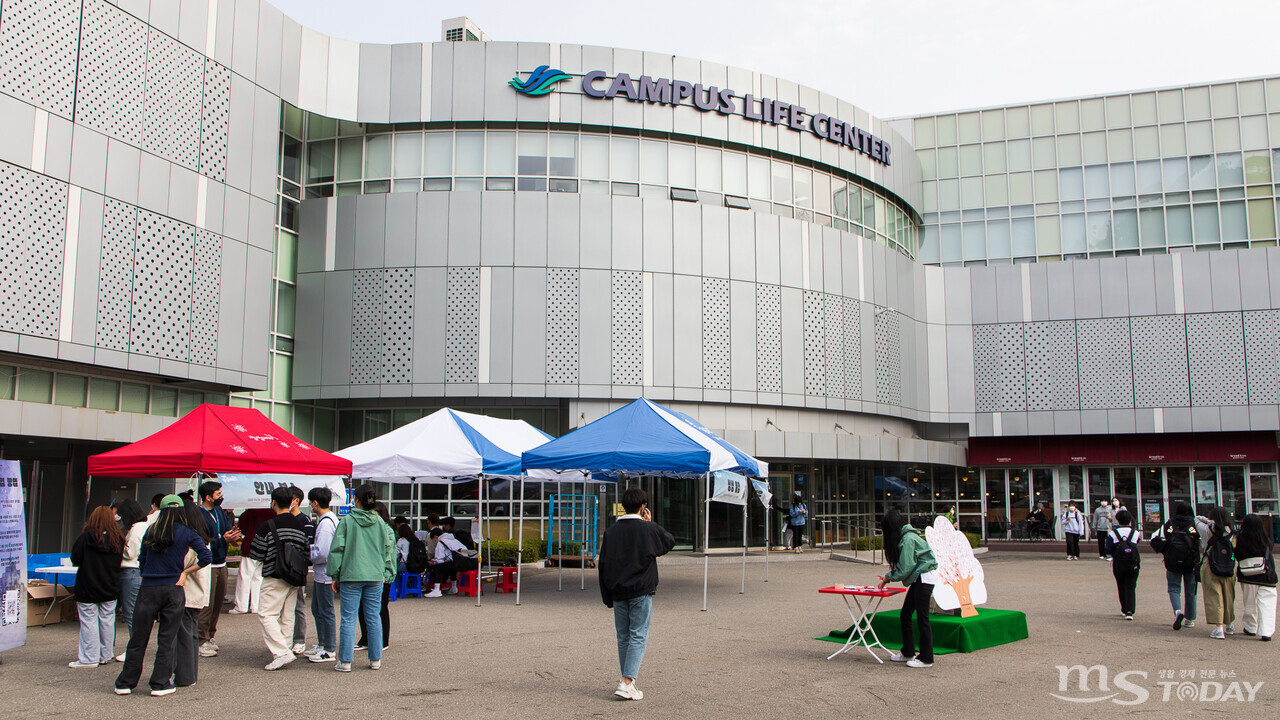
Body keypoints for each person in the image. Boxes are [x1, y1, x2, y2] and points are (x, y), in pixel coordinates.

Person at [114, 495, 211, 697]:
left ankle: (125, 683)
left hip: (148, 588)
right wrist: (184, 573)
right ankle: (159, 683)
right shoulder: (187, 532)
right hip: (173, 588)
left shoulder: (151, 530)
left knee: (138, 638)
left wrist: (149, 574)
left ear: (161, 510)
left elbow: (142, 559)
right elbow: (206, 557)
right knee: (167, 639)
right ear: (181, 511)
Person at [597, 487, 675, 701]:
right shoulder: (648, 530)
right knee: (638, 634)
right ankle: (626, 681)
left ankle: (627, 681)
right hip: (641, 589)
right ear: (643, 507)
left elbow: (602, 564)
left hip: (618, 591)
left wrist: (607, 596)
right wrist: (650, 524)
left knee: (623, 637)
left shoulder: (611, 532)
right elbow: (668, 542)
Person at [327, 484, 396, 672]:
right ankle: (375, 659)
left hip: (351, 575)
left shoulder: (347, 521)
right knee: (373, 616)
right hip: (375, 575)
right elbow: (388, 549)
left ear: (356, 500)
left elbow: (337, 550)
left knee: (348, 618)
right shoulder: (381, 523)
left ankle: (346, 661)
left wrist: (335, 574)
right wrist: (387, 572)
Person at [247, 487, 311, 670]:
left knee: (267, 614)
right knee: (287, 615)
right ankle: (285, 648)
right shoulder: (299, 525)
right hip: (295, 576)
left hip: (275, 574)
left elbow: (256, 552)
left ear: (273, 502)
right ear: (292, 502)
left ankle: (281, 652)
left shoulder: (269, 525)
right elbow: (307, 552)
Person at [876, 507, 938, 669]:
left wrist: (888, 577)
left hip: (924, 577)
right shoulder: (908, 536)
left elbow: (905, 568)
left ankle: (926, 657)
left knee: (922, 618)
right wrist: (888, 578)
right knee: (906, 614)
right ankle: (908, 651)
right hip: (920, 577)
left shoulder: (908, 539)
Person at [68, 506, 124, 668]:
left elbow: (76, 559)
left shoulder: (85, 538)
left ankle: (88, 658)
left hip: (88, 585)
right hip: (110, 586)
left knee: (89, 621)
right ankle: (105, 654)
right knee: (107, 620)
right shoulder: (118, 539)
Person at [196, 481, 240, 657]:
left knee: (218, 602)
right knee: (207, 602)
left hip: (222, 562)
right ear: (208, 497)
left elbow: (227, 531)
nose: (220, 497)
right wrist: (222, 539)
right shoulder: (199, 515)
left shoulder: (219, 511)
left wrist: (230, 535)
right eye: (218, 494)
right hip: (208, 563)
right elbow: (203, 539)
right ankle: (200, 639)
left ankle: (210, 635)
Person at [175, 495, 212, 687]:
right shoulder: (203, 537)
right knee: (191, 636)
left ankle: (184, 676)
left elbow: (182, 564)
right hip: (198, 594)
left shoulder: (190, 540)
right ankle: (190, 675)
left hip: (187, 593)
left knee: (184, 637)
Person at [1150, 501, 1201, 630]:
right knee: (1191, 591)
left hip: (1172, 561)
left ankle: (1178, 611)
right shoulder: (1194, 524)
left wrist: (1164, 550)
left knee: (1173, 588)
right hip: (1191, 562)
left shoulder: (1170, 523)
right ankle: (1189, 619)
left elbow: (1154, 537)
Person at [306, 487, 339, 663]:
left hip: (325, 573)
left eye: (310, 502)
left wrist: (308, 553)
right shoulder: (329, 519)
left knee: (325, 611)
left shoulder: (325, 523)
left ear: (315, 503)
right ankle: (322, 643)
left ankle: (329, 648)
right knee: (317, 609)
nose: (310, 505)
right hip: (323, 573)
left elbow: (323, 552)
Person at [114, 498, 149, 661]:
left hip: (131, 572)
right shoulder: (145, 526)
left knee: (130, 613)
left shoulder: (135, 529)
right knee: (134, 612)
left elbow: (130, 553)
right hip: (139, 571)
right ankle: (135, 648)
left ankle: (133, 649)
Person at [357, 502, 394, 651]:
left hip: (383, 573)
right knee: (362, 607)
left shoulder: (386, 530)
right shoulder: (370, 529)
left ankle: (383, 640)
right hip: (369, 572)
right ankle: (365, 638)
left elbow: (386, 552)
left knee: (380, 607)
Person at [1196, 506, 1237, 640]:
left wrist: (1208, 520)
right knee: (1229, 594)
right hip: (1229, 565)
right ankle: (1230, 624)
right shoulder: (1233, 532)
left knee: (1214, 595)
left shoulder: (1207, 530)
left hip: (1211, 565)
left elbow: (1195, 520)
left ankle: (1219, 628)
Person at [1234, 514, 1277, 641]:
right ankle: (1266, 632)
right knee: (1267, 604)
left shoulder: (1241, 539)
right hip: (1266, 576)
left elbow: (1237, 555)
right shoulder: (1266, 539)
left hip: (1248, 576)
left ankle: (1250, 627)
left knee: (1249, 603)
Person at [288, 486, 315, 655]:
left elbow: (308, 548)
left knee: (298, 605)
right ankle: (284, 639)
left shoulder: (305, 521)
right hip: (280, 569)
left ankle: (299, 639)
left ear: (296, 500)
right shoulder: (281, 519)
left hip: (297, 569)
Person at [231, 507, 273, 614]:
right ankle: (256, 605)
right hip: (265, 547)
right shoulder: (272, 511)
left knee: (245, 576)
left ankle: (241, 606)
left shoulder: (250, 512)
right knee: (258, 577)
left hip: (250, 546)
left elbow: (242, 528)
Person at [1105, 509, 1141, 619]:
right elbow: (1136, 544)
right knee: (1131, 586)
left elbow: (1108, 550)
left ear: (1118, 520)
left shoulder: (1113, 534)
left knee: (1121, 585)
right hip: (1133, 563)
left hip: (1119, 563)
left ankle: (1124, 609)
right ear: (1130, 520)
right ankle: (1130, 610)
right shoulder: (1135, 533)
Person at [426, 525, 469, 597]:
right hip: (463, 562)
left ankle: (436, 590)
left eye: (433, 539)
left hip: (454, 564)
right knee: (450, 566)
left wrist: (433, 562)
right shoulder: (453, 539)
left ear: (436, 536)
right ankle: (453, 587)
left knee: (437, 567)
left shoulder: (440, 543)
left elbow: (439, 560)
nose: (434, 541)